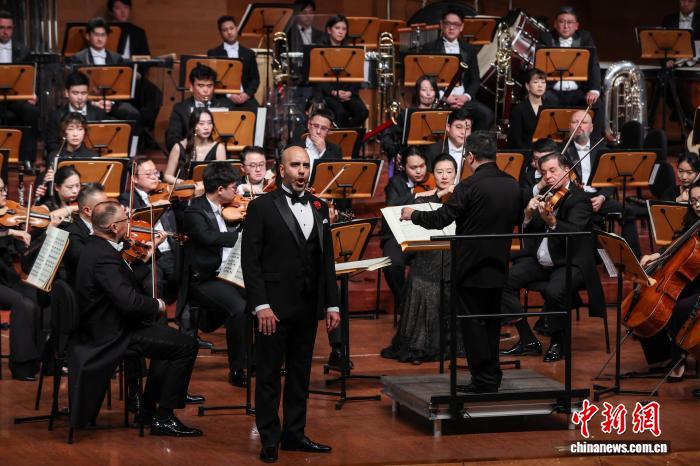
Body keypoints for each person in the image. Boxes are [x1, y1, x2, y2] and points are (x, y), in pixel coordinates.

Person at [400, 131, 522, 392]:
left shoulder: (468, 186)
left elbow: (441, 219)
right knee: (491, 323)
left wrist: (413, 214)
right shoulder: (512, 184)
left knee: (473, 324)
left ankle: (483, 380)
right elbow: (518, 218)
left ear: (471, 157)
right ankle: (492, 376)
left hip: (469, 267)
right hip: (499, 265)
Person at [67, 200, 201, 435]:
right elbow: (128, 302)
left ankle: (148, 411)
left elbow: (122, 282)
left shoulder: (98, 246)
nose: (130, 223)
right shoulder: (104, 256)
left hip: (109, 325)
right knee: (186, 345)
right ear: (113, 227)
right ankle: (164, 417)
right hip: (112, 334)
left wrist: (147, 255)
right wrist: (158, 305)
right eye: (125, 220)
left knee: (170, 342)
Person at [242, 145, 340, 463]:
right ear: (281, 169)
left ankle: (294, 435)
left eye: (305, 165)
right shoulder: (261, 207)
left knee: (300, 374)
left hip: (307, 306)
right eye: (295, 165)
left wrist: (332, 304)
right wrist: (261, 305)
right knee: (269, 375)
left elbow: (326, 260)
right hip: (272, 307)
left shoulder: (319, 206)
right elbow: (250, 262)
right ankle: (269, 439)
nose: (301, 171)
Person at [500, 152, 605, 362]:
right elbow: (531, 236)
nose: (547, 176)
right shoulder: (546, 196)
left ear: (566, 170)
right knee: (503, 281)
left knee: (554, 291)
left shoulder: (580, 199)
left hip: (570, 262)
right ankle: (528, 339)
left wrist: (554, 223)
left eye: (552, 170)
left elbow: (575, 232)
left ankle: (559, 342)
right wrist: (528, 215)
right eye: (544, 172)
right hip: (544, 261)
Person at [382, 154, 460, 364]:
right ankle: (418, 344)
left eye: (449, 172)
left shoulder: (462, 195)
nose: (444, 176)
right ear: (433, 174)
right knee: (418, 280)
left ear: (456, 174)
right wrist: (438, 194)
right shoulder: (423, 197)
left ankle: (444, 342)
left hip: (454, 251)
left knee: (436, 280)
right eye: (440, 172)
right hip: (428, 249)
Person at [182, 162, 248, 388]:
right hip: (205, 278)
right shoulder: (194, 211)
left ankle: (258, 360)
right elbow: (208, 237)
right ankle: (237, 368)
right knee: (238, 308)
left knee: (261, 298)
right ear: (220, 190)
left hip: (229, 274)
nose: (237, 191)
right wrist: (245, 237)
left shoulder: (228, 207)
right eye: (234, 187)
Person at [560, 110, 642, 257]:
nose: (579, 125)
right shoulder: (561, 151)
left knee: (628, 212)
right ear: (569, 126)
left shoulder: (602, 150)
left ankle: (634, 258)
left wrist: (602, 197)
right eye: (575, 122)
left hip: (598, 197)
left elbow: (611, 179)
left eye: (584, 122)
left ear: (591, 128)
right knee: (582, 221)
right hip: (574, 199)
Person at [118, 158, 183, 305]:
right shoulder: (127, 199)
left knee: (185, 280)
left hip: (172, 250)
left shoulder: (165, 193)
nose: (155, 177)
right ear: (134, 179)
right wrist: (154, 207)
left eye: (156, 172)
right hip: (151, 254)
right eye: (148, 174)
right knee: (153, 286)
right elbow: (128, 217)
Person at [420, 8, 493, 130]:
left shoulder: (469, 49)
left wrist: (465, 97)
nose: (451, 27)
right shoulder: (430, 48)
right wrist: (444, 96)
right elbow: (427, 79)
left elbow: (475, 79)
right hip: (441, 99)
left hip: (463, 100)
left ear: (462, 27)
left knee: (487, 115)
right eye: (448, 23)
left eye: (456, 24)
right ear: (441, 25)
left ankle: (469, 141)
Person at [0, 178, 42, 380]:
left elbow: (22, 256)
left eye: (3, 189)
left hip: (7, 278)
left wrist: (30, 240)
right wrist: (9, 231)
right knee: (22, 303)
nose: (3, 193)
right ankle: (21, 366)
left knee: (37, 295)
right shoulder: (6, 227)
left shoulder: (8, 216)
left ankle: (41, 358)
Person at [69, 17, 142, 132]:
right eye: (96, 35)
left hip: (112, 102)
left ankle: (132, 144)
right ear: (88, 36)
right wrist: (93, 103)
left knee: (133, 113)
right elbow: (74, 86)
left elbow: (122, 87)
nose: (100, 38)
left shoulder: (116, 58)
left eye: (103, 35)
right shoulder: (79, 58)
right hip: (88, 102)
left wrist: (111, 102)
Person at [540, 6, 603, 139]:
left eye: (570, 22)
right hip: (552, 92)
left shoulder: (585, 37)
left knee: (596, 104)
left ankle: (594, 144)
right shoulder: (546, 38)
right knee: (539, 102)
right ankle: (545, 144)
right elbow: (539, 67)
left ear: (576, 26)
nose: (566, 26)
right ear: (555, 24)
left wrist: (594, 91)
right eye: (562, 22)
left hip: (578, 92)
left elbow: (594, 65)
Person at [381, 147, 432, 311]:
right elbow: (391, 206)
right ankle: (406, 305)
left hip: (426, 234)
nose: (419, 171)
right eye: (413, 167)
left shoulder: (433, 179)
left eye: (422, 166)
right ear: (403, 167)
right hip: (399, 235)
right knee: (392, 264)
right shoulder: (395, 183)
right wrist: (416, 195)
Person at [106, 0, 163, 134]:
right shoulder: (105, 32)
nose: (123, 11)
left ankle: (143, 130)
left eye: (126, 7)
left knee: (155, 94)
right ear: (111, 11)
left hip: (134, 77)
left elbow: (146, 58)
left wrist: (137, 74)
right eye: (118, 8)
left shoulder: (138, 32)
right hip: (112, 79)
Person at [312, 15, 369, 128]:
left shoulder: (352, 51)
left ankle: (347, 133)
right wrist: (333, 92)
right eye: (337, 28)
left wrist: (350, 93)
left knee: (362, 112)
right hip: (328, 94)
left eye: (344, 29)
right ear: (329, 30)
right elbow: (317, 79)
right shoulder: (320, 51)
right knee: (340, 112)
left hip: (347, 93)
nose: (341, 32)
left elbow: (357, 76)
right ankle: (342, 134)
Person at [0, 10, 39, 172]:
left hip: (16, 97)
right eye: (2, 27)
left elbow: (30, 75)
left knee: (31, 111)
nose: (5, 31)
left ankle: (27, 159)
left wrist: (32, 93)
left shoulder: (23, 50)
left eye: (9, 28)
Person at [165, 64, 234, 151]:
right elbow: (172, 140)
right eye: (200, 85)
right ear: (191, 87)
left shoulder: (227, 105)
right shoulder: (180, 109)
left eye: (209, 86)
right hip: (191, 153)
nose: (206, 90)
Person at [163, 107, 225, 194]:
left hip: (209, 193)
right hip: (184, 193)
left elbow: (222, 176)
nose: (206, 127)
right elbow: (167, 175)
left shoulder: (219, 148)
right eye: (201, 123)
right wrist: (184, 183)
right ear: (193, 126)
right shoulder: (179, 147)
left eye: (209, 123)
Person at [381, 75, 439, 166]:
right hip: (411, 162)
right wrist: (395, 152)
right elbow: (386, 136)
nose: (428, 94)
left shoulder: (441, 114)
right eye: (424, 90)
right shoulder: (406, 115)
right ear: (418, 92)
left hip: (437, 162)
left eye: (432, 90)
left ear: (436, 93)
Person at [36, 113, 97, 199]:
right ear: (64, 132)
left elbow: (93, 187)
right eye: (70, 129)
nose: (75, 134)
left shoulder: (92, 156)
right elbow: (50, 190)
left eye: (80, 129)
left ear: (84, 132)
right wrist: (44, 187)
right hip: (60, 200)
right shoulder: (54, 156)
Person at [45, 71, 109, 153]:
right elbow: (51, 144)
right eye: (75, 93)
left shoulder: (99, 113)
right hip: (66, 156)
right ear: (67, 93)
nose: (80, 97)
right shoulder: (56, 115)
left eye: (84, 93)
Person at [207, 15, 260, 109]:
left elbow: (255, 79)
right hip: (224, 97)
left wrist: (246, 95)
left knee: (259, 112)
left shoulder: (249, 53)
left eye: (231, 28)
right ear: (220, 33)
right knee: (225, 111)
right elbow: (213, 80)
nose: (229, 32)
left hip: (245, 96)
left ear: (237, 29)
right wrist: (229, 95)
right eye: (225, 30)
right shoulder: (213, 53)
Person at [63, 182, 109, 285]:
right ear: (88, 211)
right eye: (104, 206)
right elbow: (92, 264)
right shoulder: (72, 234)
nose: (109, 210)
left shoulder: (105, 226)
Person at [507, 68, 550, 150]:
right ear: (527, 86)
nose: (540, 85)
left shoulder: (550, 106)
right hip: (526, 151)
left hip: (547, 150)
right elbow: (515, 139)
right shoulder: (519, 109)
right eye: (535, 82)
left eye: (543, 82)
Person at [425, 108, 473, 175]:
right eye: (458, 127)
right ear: (448, 127)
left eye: (467, 128)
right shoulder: (434, 150)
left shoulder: (474, 151)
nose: (463, 132)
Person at [294, 108, 342, 173]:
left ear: (329, 131)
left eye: (323, 128)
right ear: (309, 125)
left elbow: (334, 174)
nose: (318, 131)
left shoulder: (336, 150)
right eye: (316, 126)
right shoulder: (294, 147)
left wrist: (323, 151)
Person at [520, 138, 559, 205]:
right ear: (533, 160)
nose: (540, 163)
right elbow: (523, 201)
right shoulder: (527, 177)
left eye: (545, 158)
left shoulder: (562, 174)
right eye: (537, 158)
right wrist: (539, 186)